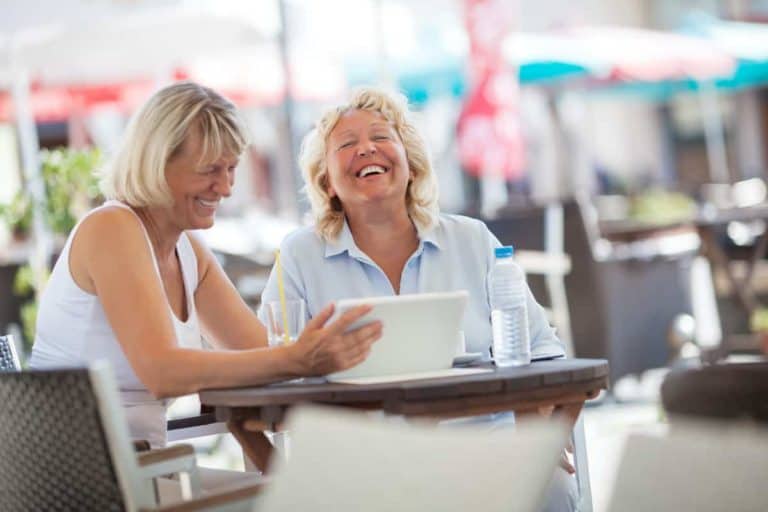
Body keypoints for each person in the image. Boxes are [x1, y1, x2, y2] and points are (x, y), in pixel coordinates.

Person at [258, 87, 575, 512]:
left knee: (549, 490)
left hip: (485, 450)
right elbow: (277, 367)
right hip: (367, 465)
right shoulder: (300, 255)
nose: (366, 148)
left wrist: (532, 438)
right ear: (326, 182)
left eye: (381, 137)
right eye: (347, 144)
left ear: (410, 163)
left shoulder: (473, 240)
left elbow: (543, 351)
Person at [29, 81, 382, 450]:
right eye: (210, 170)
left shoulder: (186, 249)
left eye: (231, 169)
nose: (226, 187)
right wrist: (295, 359)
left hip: (141, 469)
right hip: (73, 475)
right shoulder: (112, 229)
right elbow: (162, 372)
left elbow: (255, 353)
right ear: (157, 162)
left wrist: (325, 355)